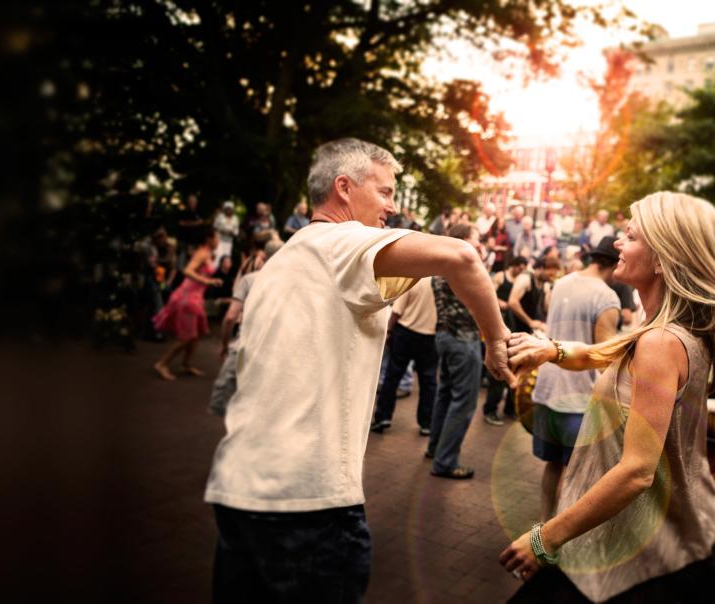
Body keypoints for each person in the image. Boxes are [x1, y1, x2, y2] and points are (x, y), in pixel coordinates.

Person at [204, 138, 513, 602]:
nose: (392, 207)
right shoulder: (343, 242)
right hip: (306, 502)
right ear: (344, 188)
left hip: (239, 488)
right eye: (386, 192)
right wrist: (497, 341)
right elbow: (463, 257)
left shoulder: (282, 260)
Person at [501, 192, 715, 602]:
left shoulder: (661, 340)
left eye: (630, 236)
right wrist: (550, 350)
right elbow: (612, 351)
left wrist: (544, 537)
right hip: (662, 536)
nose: (617, 244)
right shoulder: (665, 325)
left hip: (655, 552)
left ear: (663, 259)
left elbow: (638, 471)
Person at [529, 238, 621, 520]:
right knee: (576, 475)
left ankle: (543, 525)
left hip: (547, 389)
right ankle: (557, 541)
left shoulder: (563, 282)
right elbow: (603, 355)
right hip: (578, 398)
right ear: (615, 263)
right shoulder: (607, 297)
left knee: (553, 465)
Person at [425, 223, 494, 479]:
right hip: (463, 338)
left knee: (445, 395)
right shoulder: (462, 265)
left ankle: (435, 448)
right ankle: (445, 461)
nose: (480, 245)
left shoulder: (440, 265)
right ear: (464, 240)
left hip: (444, 335)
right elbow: (483, 300)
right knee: (464, 401)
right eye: (477, 241)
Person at [209, 239, 283, 418]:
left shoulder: (249, 280)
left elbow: (230, 317)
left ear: (263, 256)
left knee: (223, 396)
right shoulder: (290, 282)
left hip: (246, 342)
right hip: (276, 346)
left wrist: (225, 345)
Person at [370, 274, 438, 435]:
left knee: (392, 377)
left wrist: (389, 331)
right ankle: (426, 423)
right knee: (428, 382)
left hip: (405, 333)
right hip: (430, 337)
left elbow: (397, 311)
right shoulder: (443, 283)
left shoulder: (415, 279)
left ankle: (382, 418)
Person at [152, 229, 224, 380]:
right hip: (188, 297)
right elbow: (187, 271)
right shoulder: (202, 253)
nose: (218, 241)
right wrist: (208, 281)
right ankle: (161, 364)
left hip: (195, 297)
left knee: (194, 335)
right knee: (186, 336)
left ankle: (186, 364)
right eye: (217, 238)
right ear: (209, 239)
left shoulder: (207, 253)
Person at [483, 256, 529, 425]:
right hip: (500, 323)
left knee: (515, 369)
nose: (521, 270)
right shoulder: (501, 276)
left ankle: (510, 408)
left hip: (514, 327)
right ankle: (490, 410)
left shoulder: (522, 280)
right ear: (514, 265)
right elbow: (488, 293)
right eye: (520, 267)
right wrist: (500, 302)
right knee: (499, 369)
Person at [508, 257, 558, 334]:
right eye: (550, 275)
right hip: (515, 328)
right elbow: (512, 302)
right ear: (541, 269)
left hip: (527, 330)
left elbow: (546, 308)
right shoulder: (525, 278)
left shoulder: (543, 284)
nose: (551, 278)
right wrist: (530, 322)